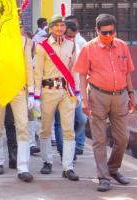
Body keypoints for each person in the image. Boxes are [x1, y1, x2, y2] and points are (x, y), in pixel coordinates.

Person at [74, 14, 136, 192]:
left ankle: (113, 168)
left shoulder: (122, 46)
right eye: (104, 33)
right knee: (99, 140)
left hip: (120, 96)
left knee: (123, 138)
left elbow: (127, 73)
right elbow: (82, 76)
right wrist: (84, 101)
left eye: (112, 32)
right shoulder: (88, 48)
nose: (109, 35)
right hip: (98, 96)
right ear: (97, 31)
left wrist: (131, 94)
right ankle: (103, 177)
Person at [0, 20, 35, 182]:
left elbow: (28, 65)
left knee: (23, 125)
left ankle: (23, 166)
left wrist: (32, 90)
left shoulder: (24, 41)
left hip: (18, 88)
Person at [34, 13, 79, 182]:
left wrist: (77, 92)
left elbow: (73, 69)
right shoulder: (42, 47)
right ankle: (47, 161)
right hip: (48, 90)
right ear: (50, 28)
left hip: (66, 91)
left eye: (62, 25)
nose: (60, 28)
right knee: (45, 128)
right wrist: (36, 96)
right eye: (57, 26)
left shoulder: (71, 45)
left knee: (69, 129)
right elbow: (37, 72)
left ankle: (68, 167)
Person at [53, 21, 88, 159]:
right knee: (59, 122)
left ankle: (70, 144)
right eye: (69, 36)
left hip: (73, 90)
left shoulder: (76, 47)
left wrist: (79, 92)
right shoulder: (50, 46)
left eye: (73, 37)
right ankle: (65, 152)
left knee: (81, 120)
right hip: (56, 87)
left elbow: (79, 72)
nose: (71, 39)